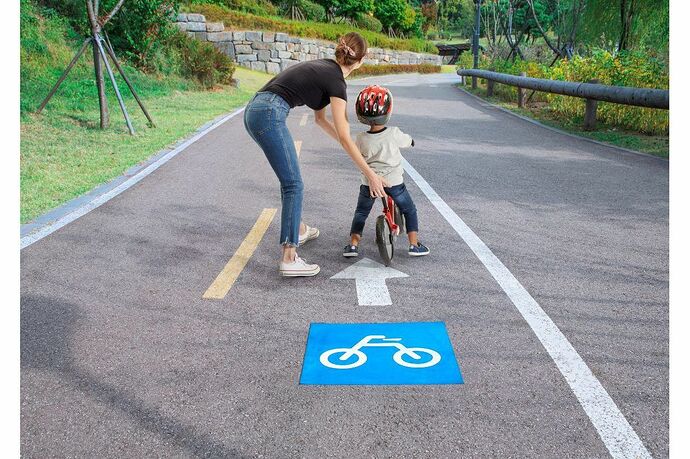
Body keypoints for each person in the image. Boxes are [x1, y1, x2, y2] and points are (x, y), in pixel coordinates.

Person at [244, 32, 390, 277]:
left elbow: (321, 120)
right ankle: (289, 258)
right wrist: (371, 174)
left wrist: (351, 146)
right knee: (293, 184)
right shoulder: (337, 83)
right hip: (269, 113)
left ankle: (299, 229)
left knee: (289, 180)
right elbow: (344, 134)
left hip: (254, 110)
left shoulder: (325, 69)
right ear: (362, 60)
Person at [342, 85, 430, 258]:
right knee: (409, 210)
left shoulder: (360, 138)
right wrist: (411, 141)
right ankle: (414, 245)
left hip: (369, 184)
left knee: (361, 213)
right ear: (388, 112)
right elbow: (407, 141)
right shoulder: (394, 133)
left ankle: (353, 245)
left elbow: (357, 155)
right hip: (394, 183)